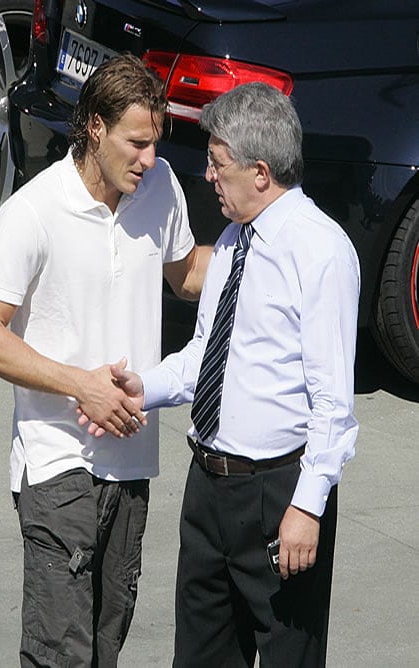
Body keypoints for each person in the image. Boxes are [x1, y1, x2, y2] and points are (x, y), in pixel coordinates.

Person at [89, 82, 361, 667]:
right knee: (200, 656)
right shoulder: (235, 243)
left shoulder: (321, 251)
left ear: (260, 172)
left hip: (278, 494)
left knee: (290, 654)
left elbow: (333, 404)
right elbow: (205, 357)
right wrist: (146, 387)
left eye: (218, 165)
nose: (208, 176)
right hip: (208, 489)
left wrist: (307, 507)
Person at [0, 53, 211, 668]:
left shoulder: (159, 188)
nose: (149, 159)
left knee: (103, 647)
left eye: (155, 143)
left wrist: (273, 246)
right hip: (55, 461)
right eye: (136, 143)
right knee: (59, 654)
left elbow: (187, 276)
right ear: (95, 128)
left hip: (131, 462)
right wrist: (82, 386)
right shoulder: (34, 211)